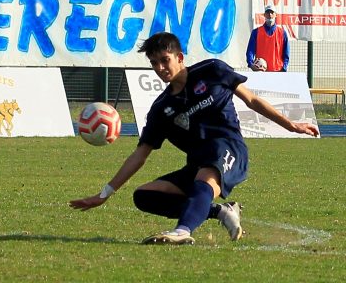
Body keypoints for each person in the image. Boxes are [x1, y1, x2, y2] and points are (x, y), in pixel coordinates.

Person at [70, 32, 318, 245]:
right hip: (198, 162)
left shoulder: (212, 71)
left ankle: (182, 230)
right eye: (154, 63)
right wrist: (104, 193)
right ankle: (221, 211)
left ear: (179, 58)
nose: (159, 68)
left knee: (205, 177)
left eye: (164, 60)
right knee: (144, 196)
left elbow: (251, 100)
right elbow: (140, 155)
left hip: (229, 149)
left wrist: (291, 125)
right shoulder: (162, 109)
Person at [246, 5, 289, 71]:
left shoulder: (283, 33)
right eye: (268, 12)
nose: (270, 14)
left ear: (276, 15)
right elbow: (250, 51)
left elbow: (286, 54)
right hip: (260, 71)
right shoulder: (256, 32)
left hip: (278, 71)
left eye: (272, 12)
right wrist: (251, 64)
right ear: (264, 15)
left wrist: (284, 68)